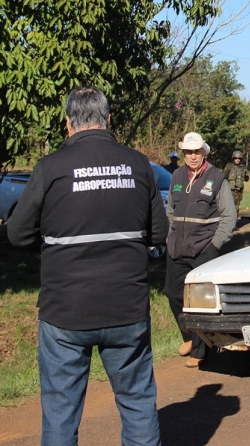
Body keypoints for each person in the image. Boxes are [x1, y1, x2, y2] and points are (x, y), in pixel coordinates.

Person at [3, 86, 168, 446]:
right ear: (108, 120)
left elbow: (17, 234)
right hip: (127, 309)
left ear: (68, 124)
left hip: (66, 313)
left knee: (61, 413)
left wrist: (50, 248)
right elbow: (159, 232)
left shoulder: (50, 168)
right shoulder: (138, 165)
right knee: (138, 404)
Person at [165, 132, 236, 368]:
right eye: (188, 152)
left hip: (203, 249)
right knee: (172, 293)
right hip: (177, 248)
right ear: (183, 153)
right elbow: (170, 210)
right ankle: (187, 336)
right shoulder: (176, 175)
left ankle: (199, 349)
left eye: (196, 151)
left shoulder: (216, 178)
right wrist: (169, 236)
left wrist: (214, 245)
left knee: (198, 301)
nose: (192, 156)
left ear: (203, 152)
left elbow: (229, 216)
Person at [222, 150, 249, 216]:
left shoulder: (243, 168)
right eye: (236, 158)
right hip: (231, 190)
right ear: (233, 158)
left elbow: (246, 178)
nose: (237, 160)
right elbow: (223, 176)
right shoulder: (229, 166)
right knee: (230, 206)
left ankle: (235, 222)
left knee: (237, 206)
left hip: (239, 191)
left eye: (239, 158)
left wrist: (246, 176)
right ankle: (229, 221)